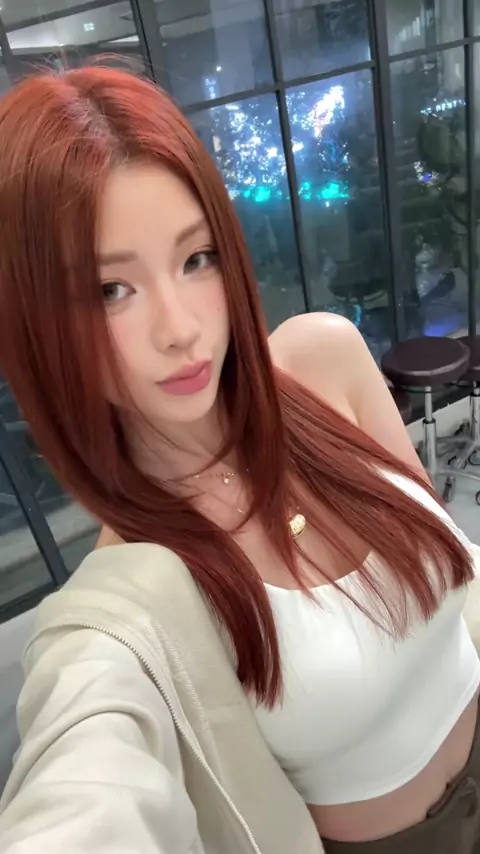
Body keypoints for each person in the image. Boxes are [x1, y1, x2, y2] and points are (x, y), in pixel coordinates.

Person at [0, 65, 478, 854]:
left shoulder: (324, 361)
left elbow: (452, 566)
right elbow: (86, 782)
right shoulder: (134, 592)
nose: (181, 328)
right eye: (110, 290)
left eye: (196, 259)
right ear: (37, 324)